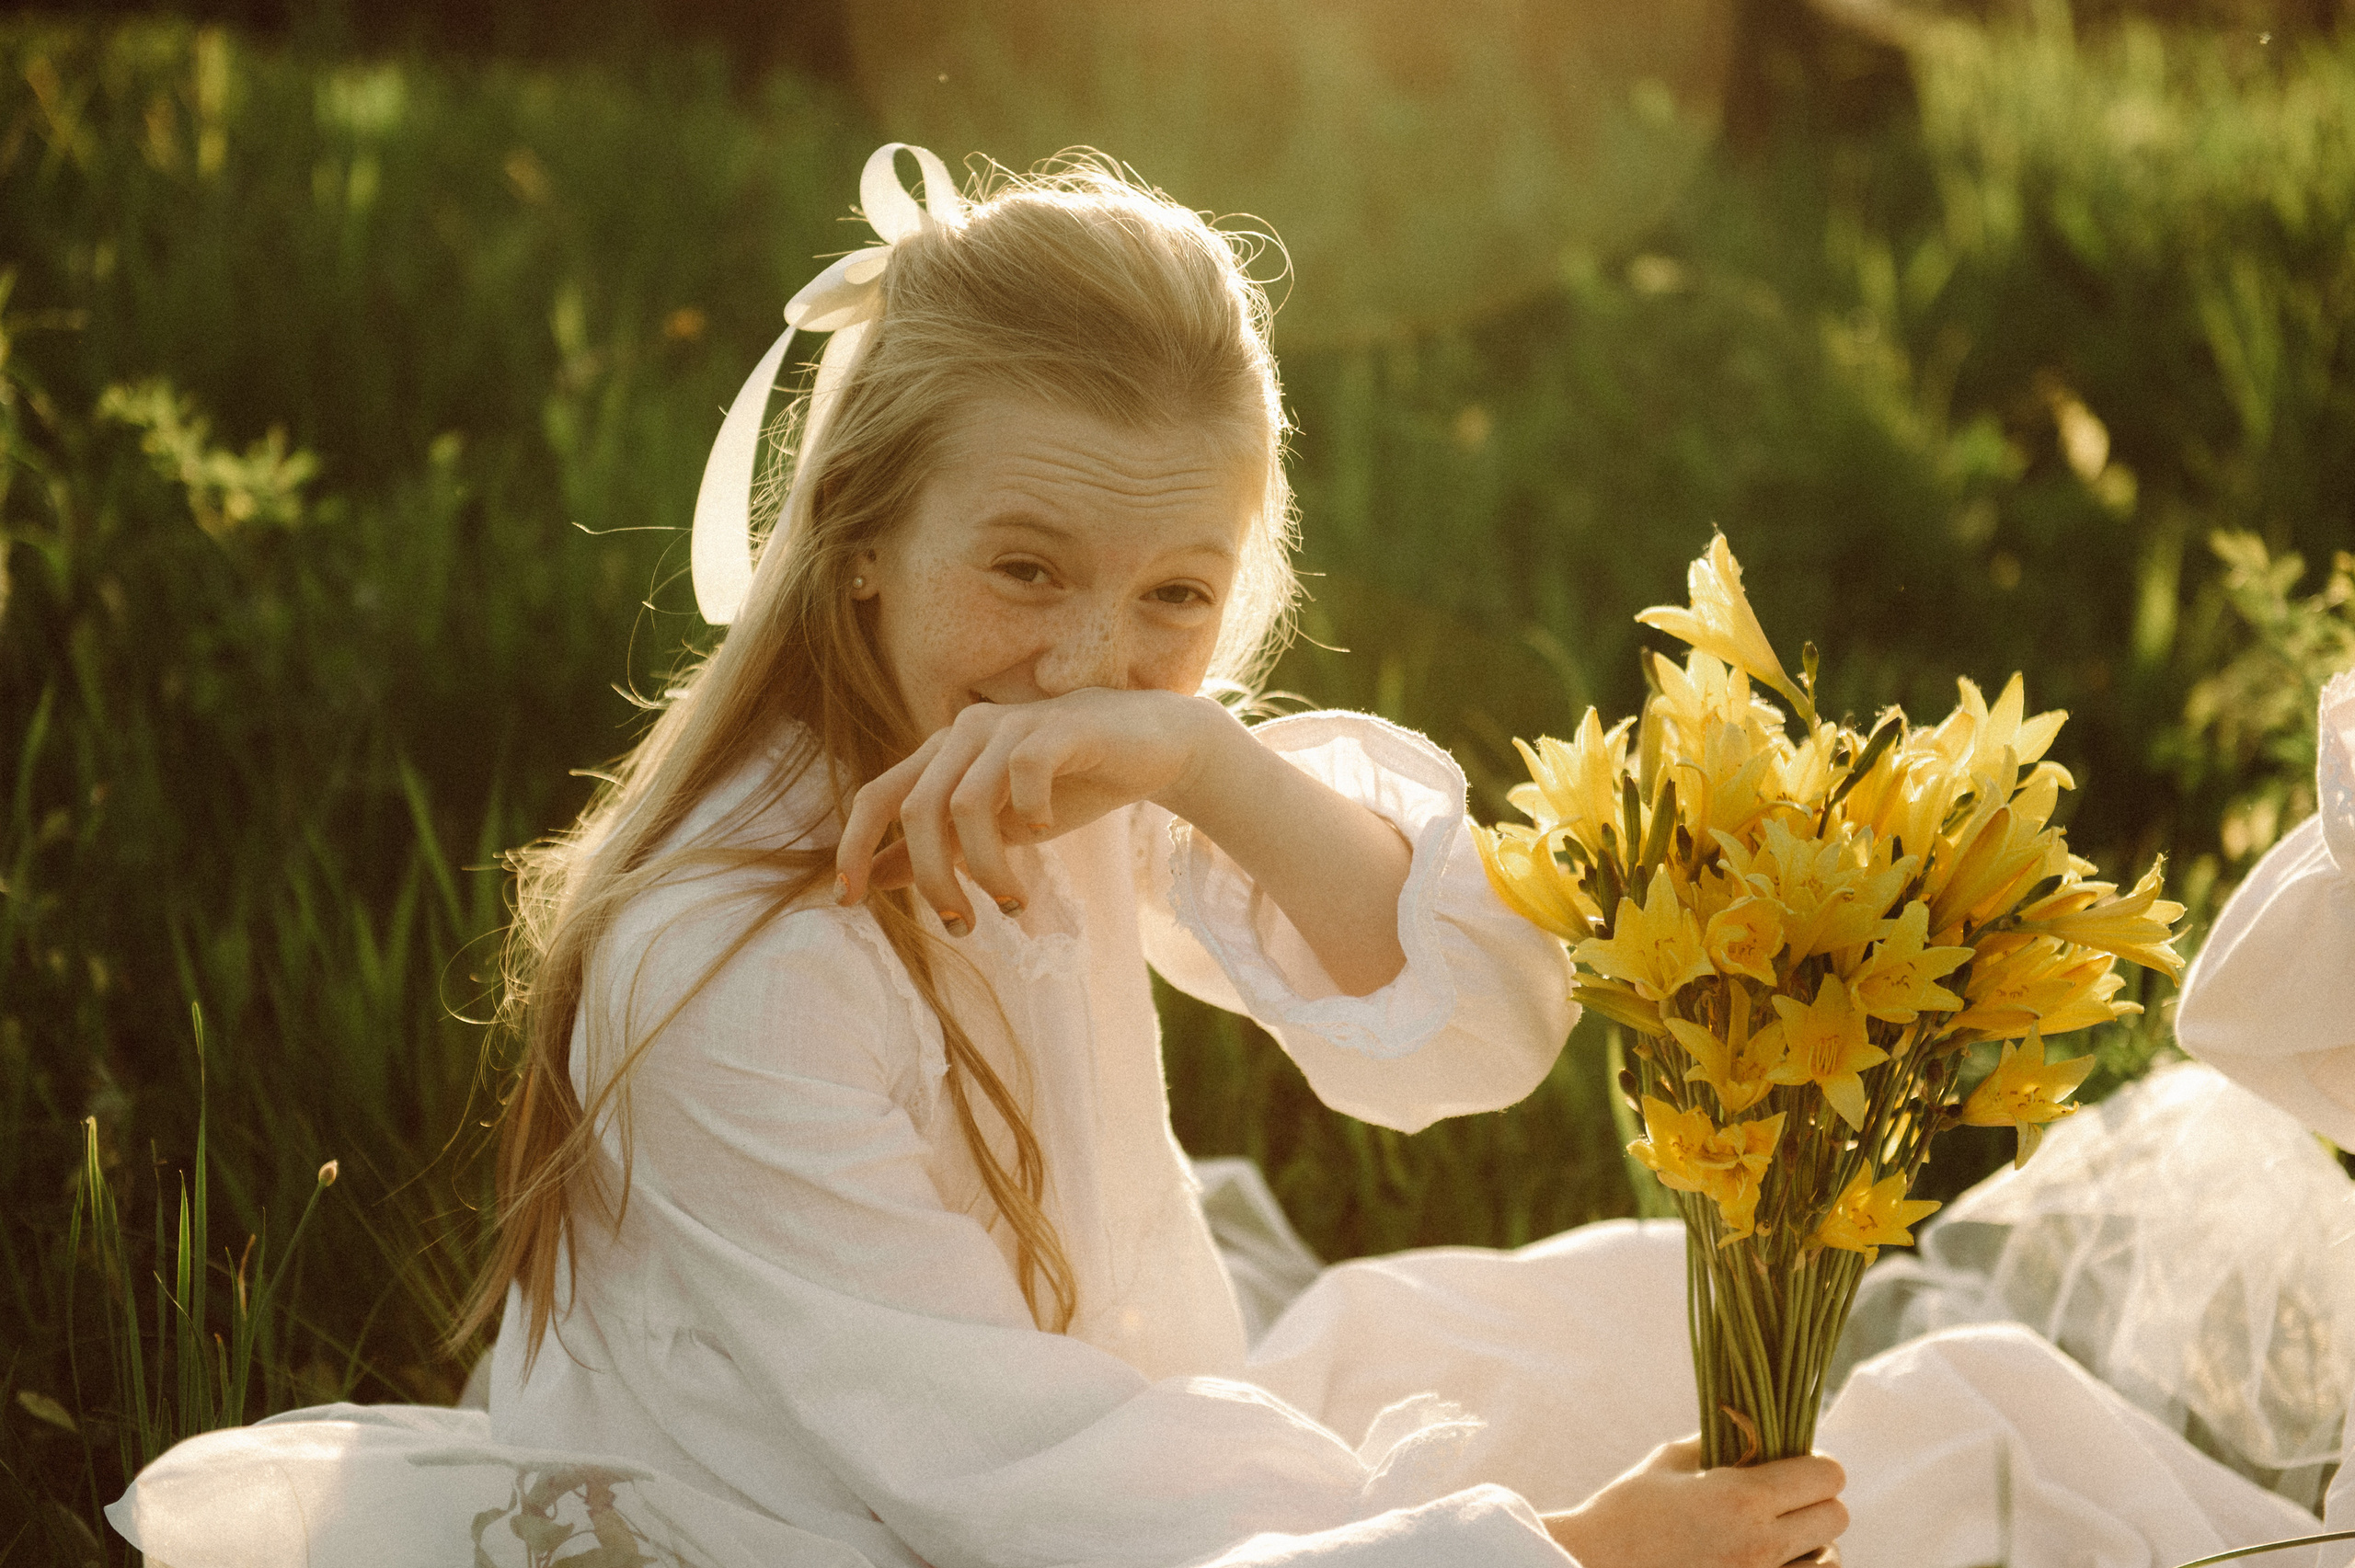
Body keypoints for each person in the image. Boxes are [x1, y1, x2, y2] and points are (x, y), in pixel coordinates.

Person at [103, 146, 2346, 1568]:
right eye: (1024, 568)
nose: (1085, 653)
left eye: (1175, 592)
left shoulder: (1063, 759)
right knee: (1825, 1490)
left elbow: (1461, 1038)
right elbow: (992, 1472)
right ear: (860, 543)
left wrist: (1190, 760)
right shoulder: (730, 952)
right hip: (871, 1513)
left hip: (1110, 1433)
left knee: (1866, 1390)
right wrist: (1535, 1553)